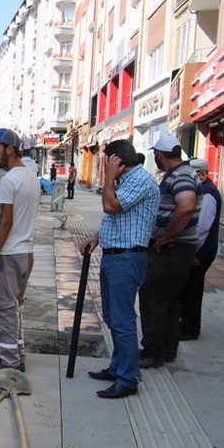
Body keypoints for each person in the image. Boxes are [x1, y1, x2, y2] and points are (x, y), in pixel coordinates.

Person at [80, 139, 160, 398]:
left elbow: (110, 206)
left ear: (117, 160)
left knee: (123, 321)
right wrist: (97, 236)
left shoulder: (139, 180)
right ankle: (117, 367)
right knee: (113, 318)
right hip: (114, 256)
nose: (104, 165)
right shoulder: (125, 181)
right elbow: (118, 219)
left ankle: (128, 379)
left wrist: (109, 177)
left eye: (107, 160)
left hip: (126, 259)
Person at [139, 131, 201, 369]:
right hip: (180, 247)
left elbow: (186, 206)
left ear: (160, 155)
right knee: (169, 298)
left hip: (173, 248)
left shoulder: (182, 175)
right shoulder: (178, 173)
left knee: (152, 295)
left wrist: (167, 236)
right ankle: (166, 349)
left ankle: (153, 351)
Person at [0, 128, 40, 374]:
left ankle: (8, 361)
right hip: (27, 253)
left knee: (4, 308)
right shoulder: (31, 176)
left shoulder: (9, 180)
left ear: (10, 149)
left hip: (11, 253)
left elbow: (6, 221)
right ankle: (18, 354)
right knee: (16, 308)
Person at [178, 158, 221, 341]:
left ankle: (189, 328)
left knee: (192, 290)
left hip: (201, 251)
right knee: (187, 288)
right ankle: (186, 325)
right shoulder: (200, 190)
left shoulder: (208, 193)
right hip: (197, 249)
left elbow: (202, 227)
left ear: (202, 174)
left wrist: (193, 252)